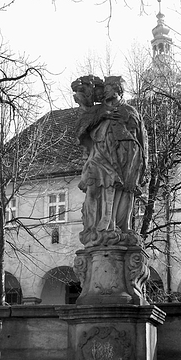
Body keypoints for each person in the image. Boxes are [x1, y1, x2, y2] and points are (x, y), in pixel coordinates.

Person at [73, 75, 148, 247]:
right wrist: (102, 116)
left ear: (117, 89)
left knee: (127, 190)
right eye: (104, 87)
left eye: (108, 87)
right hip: (103, 154)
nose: (105, 90)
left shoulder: (130, 110)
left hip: (129, 154)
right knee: (106, 186)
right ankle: (105, 225)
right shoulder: (98, 111)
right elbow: (81, 128)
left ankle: (123, 226)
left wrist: (144, 164)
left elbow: (142, 139)